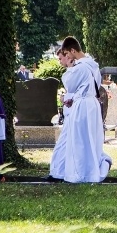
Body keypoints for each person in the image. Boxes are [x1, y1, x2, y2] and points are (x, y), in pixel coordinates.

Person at [60, 36, 112, 183]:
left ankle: (81, 173)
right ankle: (91, 171)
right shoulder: (93, 65)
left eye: (67, 54)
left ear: (72, 50)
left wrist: (70, 68)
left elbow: (70, 85)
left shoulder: (80, 67)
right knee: (91, 139)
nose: (67, 57)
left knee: (79, 139)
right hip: (93, 104)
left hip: (82, 105)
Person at [46, 49, 74, 183]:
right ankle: (58, 172)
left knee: (63, 145)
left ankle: (58, 173)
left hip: (74, 113)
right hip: (70, 113)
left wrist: (67, 98)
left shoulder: (75, 72)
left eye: (61, 58)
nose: (60, 61)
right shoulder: (70, 72)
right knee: (63, 145)